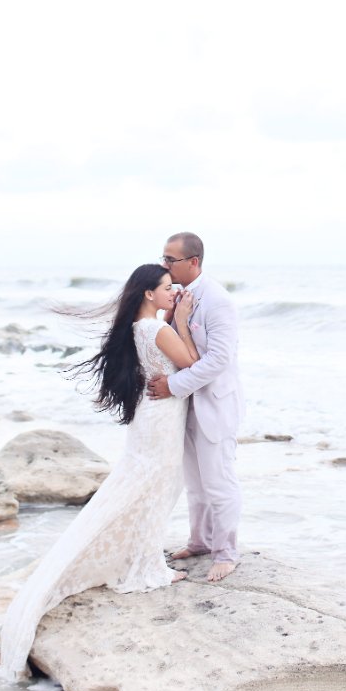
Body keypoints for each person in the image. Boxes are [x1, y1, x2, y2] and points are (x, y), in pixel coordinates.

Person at [0, 264, 198, 681]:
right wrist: (180, 320)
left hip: (150, 416)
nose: (173, 292)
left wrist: (171, 319)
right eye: (167, 288)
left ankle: (141, 557)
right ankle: (144, 565)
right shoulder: (159, 329)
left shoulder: (138, 328)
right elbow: (193, 364)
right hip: (162, 419)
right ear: (149, 294)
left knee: (143, 486)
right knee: (153, 488)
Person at [147, 232, 243, 583]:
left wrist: (172, 386)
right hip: (183, 407)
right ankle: (200, 541)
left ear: (193, 262)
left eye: (170, 259)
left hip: (213, 404)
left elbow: (218, 359)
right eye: (163, 257)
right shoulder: (175, 297)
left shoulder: (217, 301)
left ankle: (226, 553)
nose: (164, 264)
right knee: (195, 481)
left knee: (218, 481)